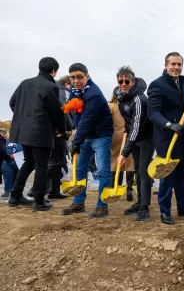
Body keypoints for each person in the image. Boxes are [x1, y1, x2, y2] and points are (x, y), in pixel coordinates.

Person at [147, 52, 184, 225]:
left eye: (179, 64)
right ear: (166, 65)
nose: (176, 67)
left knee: (181, 174)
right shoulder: (157, 85)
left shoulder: (182, 84)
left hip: (182, 136)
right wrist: (169, 125)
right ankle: (165, 211)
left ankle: (183, 208)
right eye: (173, 64)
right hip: (166, 138)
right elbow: (153, 113)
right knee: (167, 175)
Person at [8, 57, 66, 211]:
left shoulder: (24, 83)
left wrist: (24, 118)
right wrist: (63, 130)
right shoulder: (50, 86)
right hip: (41, 132)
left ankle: (15, 196)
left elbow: (12, 102)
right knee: (41, 166)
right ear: (53, 71)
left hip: (23, 132)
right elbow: (56, 113)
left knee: (29, 162)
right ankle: (39, 201)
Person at [61, 63, 114, 218]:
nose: (76, 81)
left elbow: (87, 120)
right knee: (80, 169)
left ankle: (102, 205)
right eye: (73, 77)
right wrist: (76, 135)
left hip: (101, 136)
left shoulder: (94, 95)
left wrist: (75, 141)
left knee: (103, 170)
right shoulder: (74, 90)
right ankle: (78, 202)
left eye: (80, 77)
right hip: (84, 136)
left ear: (87, 76)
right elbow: (73, 113)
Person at [116, 66, 154, 221]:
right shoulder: (122, 98)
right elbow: (129, 120)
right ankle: (139, 202)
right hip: (135, 138)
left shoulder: (139, 99)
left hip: (146, 138)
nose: (124, 84)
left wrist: (124, 152)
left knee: (144, 172)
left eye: (127, 81)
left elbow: (137, 126)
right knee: (138, 169)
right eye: (121, 81)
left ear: (133, 81)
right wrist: (126, 127)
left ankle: (145, 208)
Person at [107, 89, 135, 202]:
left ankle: (115, 186)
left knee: (115, 161)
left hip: (115, 136)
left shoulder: (111, 106)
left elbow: (108, 122)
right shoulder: (131, 104)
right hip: (129, 135)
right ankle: (129, 188)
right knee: (129, 161)